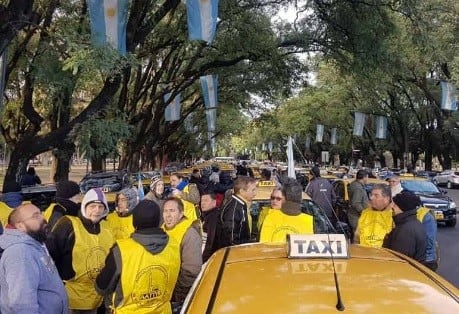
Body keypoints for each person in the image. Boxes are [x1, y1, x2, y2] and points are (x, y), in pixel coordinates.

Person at [95, 199, 180, 313]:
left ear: (134, 222)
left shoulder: (122, 250)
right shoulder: (174, 245)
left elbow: (102, 287)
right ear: (159, 220)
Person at [46, 188, 114, 314]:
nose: (97, 210)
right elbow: (50, 254)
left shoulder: (107, 228)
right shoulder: (68, 224)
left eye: (100, 206)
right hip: (72, 296)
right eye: (92, 206)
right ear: (84, 206)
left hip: (97, 297)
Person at [0, 204, 68, 313]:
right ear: (20, 226)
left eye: (41, 214)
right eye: (35, 216)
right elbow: (22, 304)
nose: (43, 218)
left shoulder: (36, 244)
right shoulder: (20, 252)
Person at [162, 197, 202, 303]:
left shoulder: (190, 234)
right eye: (165, 211)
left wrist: (178, 296)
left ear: (181, 214)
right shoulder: (161, 230)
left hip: (178, 294)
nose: (168, 215)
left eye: (172, 211)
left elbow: (191, 270)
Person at [260, 178, 314, 243]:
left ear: (284, 198)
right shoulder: (308, 220)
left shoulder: (270, 217)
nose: (274, 201)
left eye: (278, 198)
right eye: (272, 198)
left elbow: (264, 246)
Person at [383, 191, 427, 263]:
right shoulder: (414, 223)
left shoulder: (405, 231)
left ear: (402, 207)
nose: (391, 207)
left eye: (394, 204)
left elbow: (399, 260)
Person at [218, 176, 258, 247]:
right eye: (253, 190)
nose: (255, 193)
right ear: (242, 191)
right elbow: (231, 240)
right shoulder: (234, 209)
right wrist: (251, 242)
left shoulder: (238, 205)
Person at [200, 192, 220, 262]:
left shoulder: (213, 217)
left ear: (214, 202)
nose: (203, 203)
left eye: (206, 200)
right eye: (202, 200)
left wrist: (204, 259)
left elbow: (211, 241)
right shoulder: (207, 216)